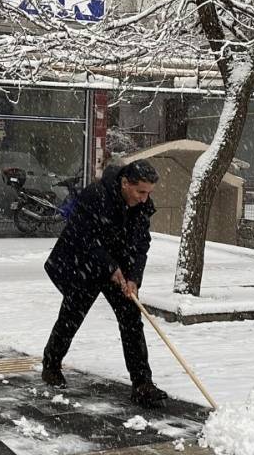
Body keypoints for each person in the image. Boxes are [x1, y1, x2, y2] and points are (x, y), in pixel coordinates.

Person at [41, 159, 169, 407]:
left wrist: (133, 278)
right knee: (72, 315)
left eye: (148, 193)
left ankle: (142, 384)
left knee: (132, 318)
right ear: (124, 183)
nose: (144, 199)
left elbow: (141, 244)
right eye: (140, 191)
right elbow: (84, 237)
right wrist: (110, 267)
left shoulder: (142, 206)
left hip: (119, 265)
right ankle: (51, 364)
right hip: (84, 262)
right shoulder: (96, 195)